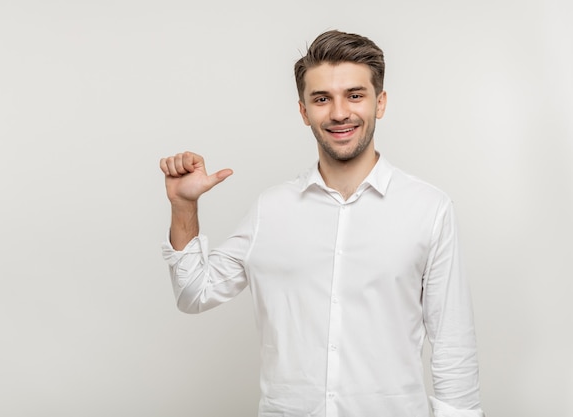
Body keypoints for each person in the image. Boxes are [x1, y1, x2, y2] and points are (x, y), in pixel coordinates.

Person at [160, 30, 484, 417]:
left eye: (355, 95)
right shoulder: (271, 209)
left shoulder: (429, 209)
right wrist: (183, 206)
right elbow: (194, 294)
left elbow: (452, 344)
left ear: (379, 103)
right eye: (321, 99)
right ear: (303, 111)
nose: (339, 113)